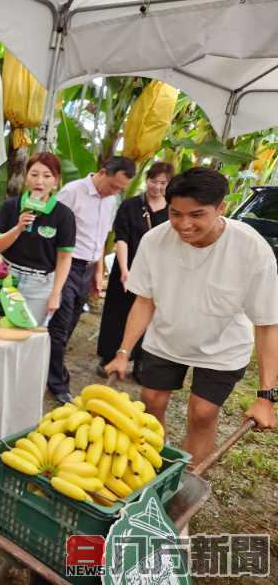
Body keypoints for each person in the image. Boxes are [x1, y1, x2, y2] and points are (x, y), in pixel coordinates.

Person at [105, 167, 278, 467]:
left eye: (196, 215)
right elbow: (145, 301)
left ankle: (187, 480)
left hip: (222, 347)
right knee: (152, 402)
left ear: (221, 208)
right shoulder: (154, 241)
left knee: (202, 413)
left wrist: (266, 397)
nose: (184, 225)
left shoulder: (252, 249)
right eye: (176, 214)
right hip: (166, 337)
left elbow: (266, 325)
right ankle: (152, 467)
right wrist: (123, 353)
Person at [47, 156, 136, 403]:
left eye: (121, 189)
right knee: (59, 327)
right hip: (67, 265)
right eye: (114, 186)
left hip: (87, 269)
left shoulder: (111, 200)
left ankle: (46, 369)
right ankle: (57, 384)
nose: (116, 192)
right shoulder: (72, 192)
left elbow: (99, 238)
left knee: (71, 324)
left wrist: (98, 273)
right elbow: (51, 230)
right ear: (103, 172)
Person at [96, 162, 173, 379]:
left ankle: (140, 361)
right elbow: (122, 238)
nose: (157, 187)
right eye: (153, 181)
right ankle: (110, 356)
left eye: (162, 183)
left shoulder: (173, 210)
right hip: (128, 266)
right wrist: (123, 269)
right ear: (146, 180)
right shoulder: (130, 205)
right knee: (117, 312)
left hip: (158, 273)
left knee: (150, 315)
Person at [0, 152, 76, 326]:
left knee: (26, 334)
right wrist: (18, 228)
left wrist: (55, 293)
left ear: (56, 181)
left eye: (47, 176)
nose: (40, 181)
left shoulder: (64, 215)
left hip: (39, 286)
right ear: (26, 177)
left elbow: (64, 257)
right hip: (6, 276)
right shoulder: (11, 206)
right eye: (34, 174)